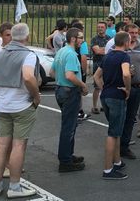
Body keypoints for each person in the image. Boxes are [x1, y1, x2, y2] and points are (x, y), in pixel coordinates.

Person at [0, 23, 40, 198]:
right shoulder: (28, 55)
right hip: (22, 105)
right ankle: (15, 187)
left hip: (2, 106)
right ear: (27, 37)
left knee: (2, 144)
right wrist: (36, 96)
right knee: (18, 145)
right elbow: (28, 76)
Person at [93, 32, 131, 180]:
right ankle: (108, 170)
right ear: (126, 42)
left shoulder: (107, 56)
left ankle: (117, 161)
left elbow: (96, 76)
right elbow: (126, 74)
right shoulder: (124, 57)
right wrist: (127, 89)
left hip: (106, 96)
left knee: (116, 129)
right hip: (117, 96)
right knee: (113, 133)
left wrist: (104, 88)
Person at [52, 28, 88, 172]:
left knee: (70, 125)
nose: (82, 40)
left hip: (60, 90)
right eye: (80, 38)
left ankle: (68, 154)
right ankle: (65, 161)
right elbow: (70, 75)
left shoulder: (61, 51)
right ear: (73, 39)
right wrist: (83, 85)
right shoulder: (72, 54)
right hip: (69, 92)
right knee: (69, 127)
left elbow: (52, 71)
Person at [120, 24, 140, 159]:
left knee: (131, 118)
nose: (133, 35)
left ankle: (124, 146)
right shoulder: (121, 48)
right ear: (126, 34)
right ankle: (117, 144)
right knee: (120, 117)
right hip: (121, 88)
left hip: (137, 87)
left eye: (136, 33)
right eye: (131, 33)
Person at [90, 21, 111, 114]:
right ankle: (94, 106)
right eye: (98, 27)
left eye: (102, 27)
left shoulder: (109, 39)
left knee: (107, 85)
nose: (100, 28)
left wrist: (102, 49)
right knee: (97, 86)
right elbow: (97, 51)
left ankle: (104, 105)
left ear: (105, 28)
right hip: (97, 64)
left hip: (108, 65)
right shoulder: (94, 39)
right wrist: (104, 49)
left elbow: (111, 51)